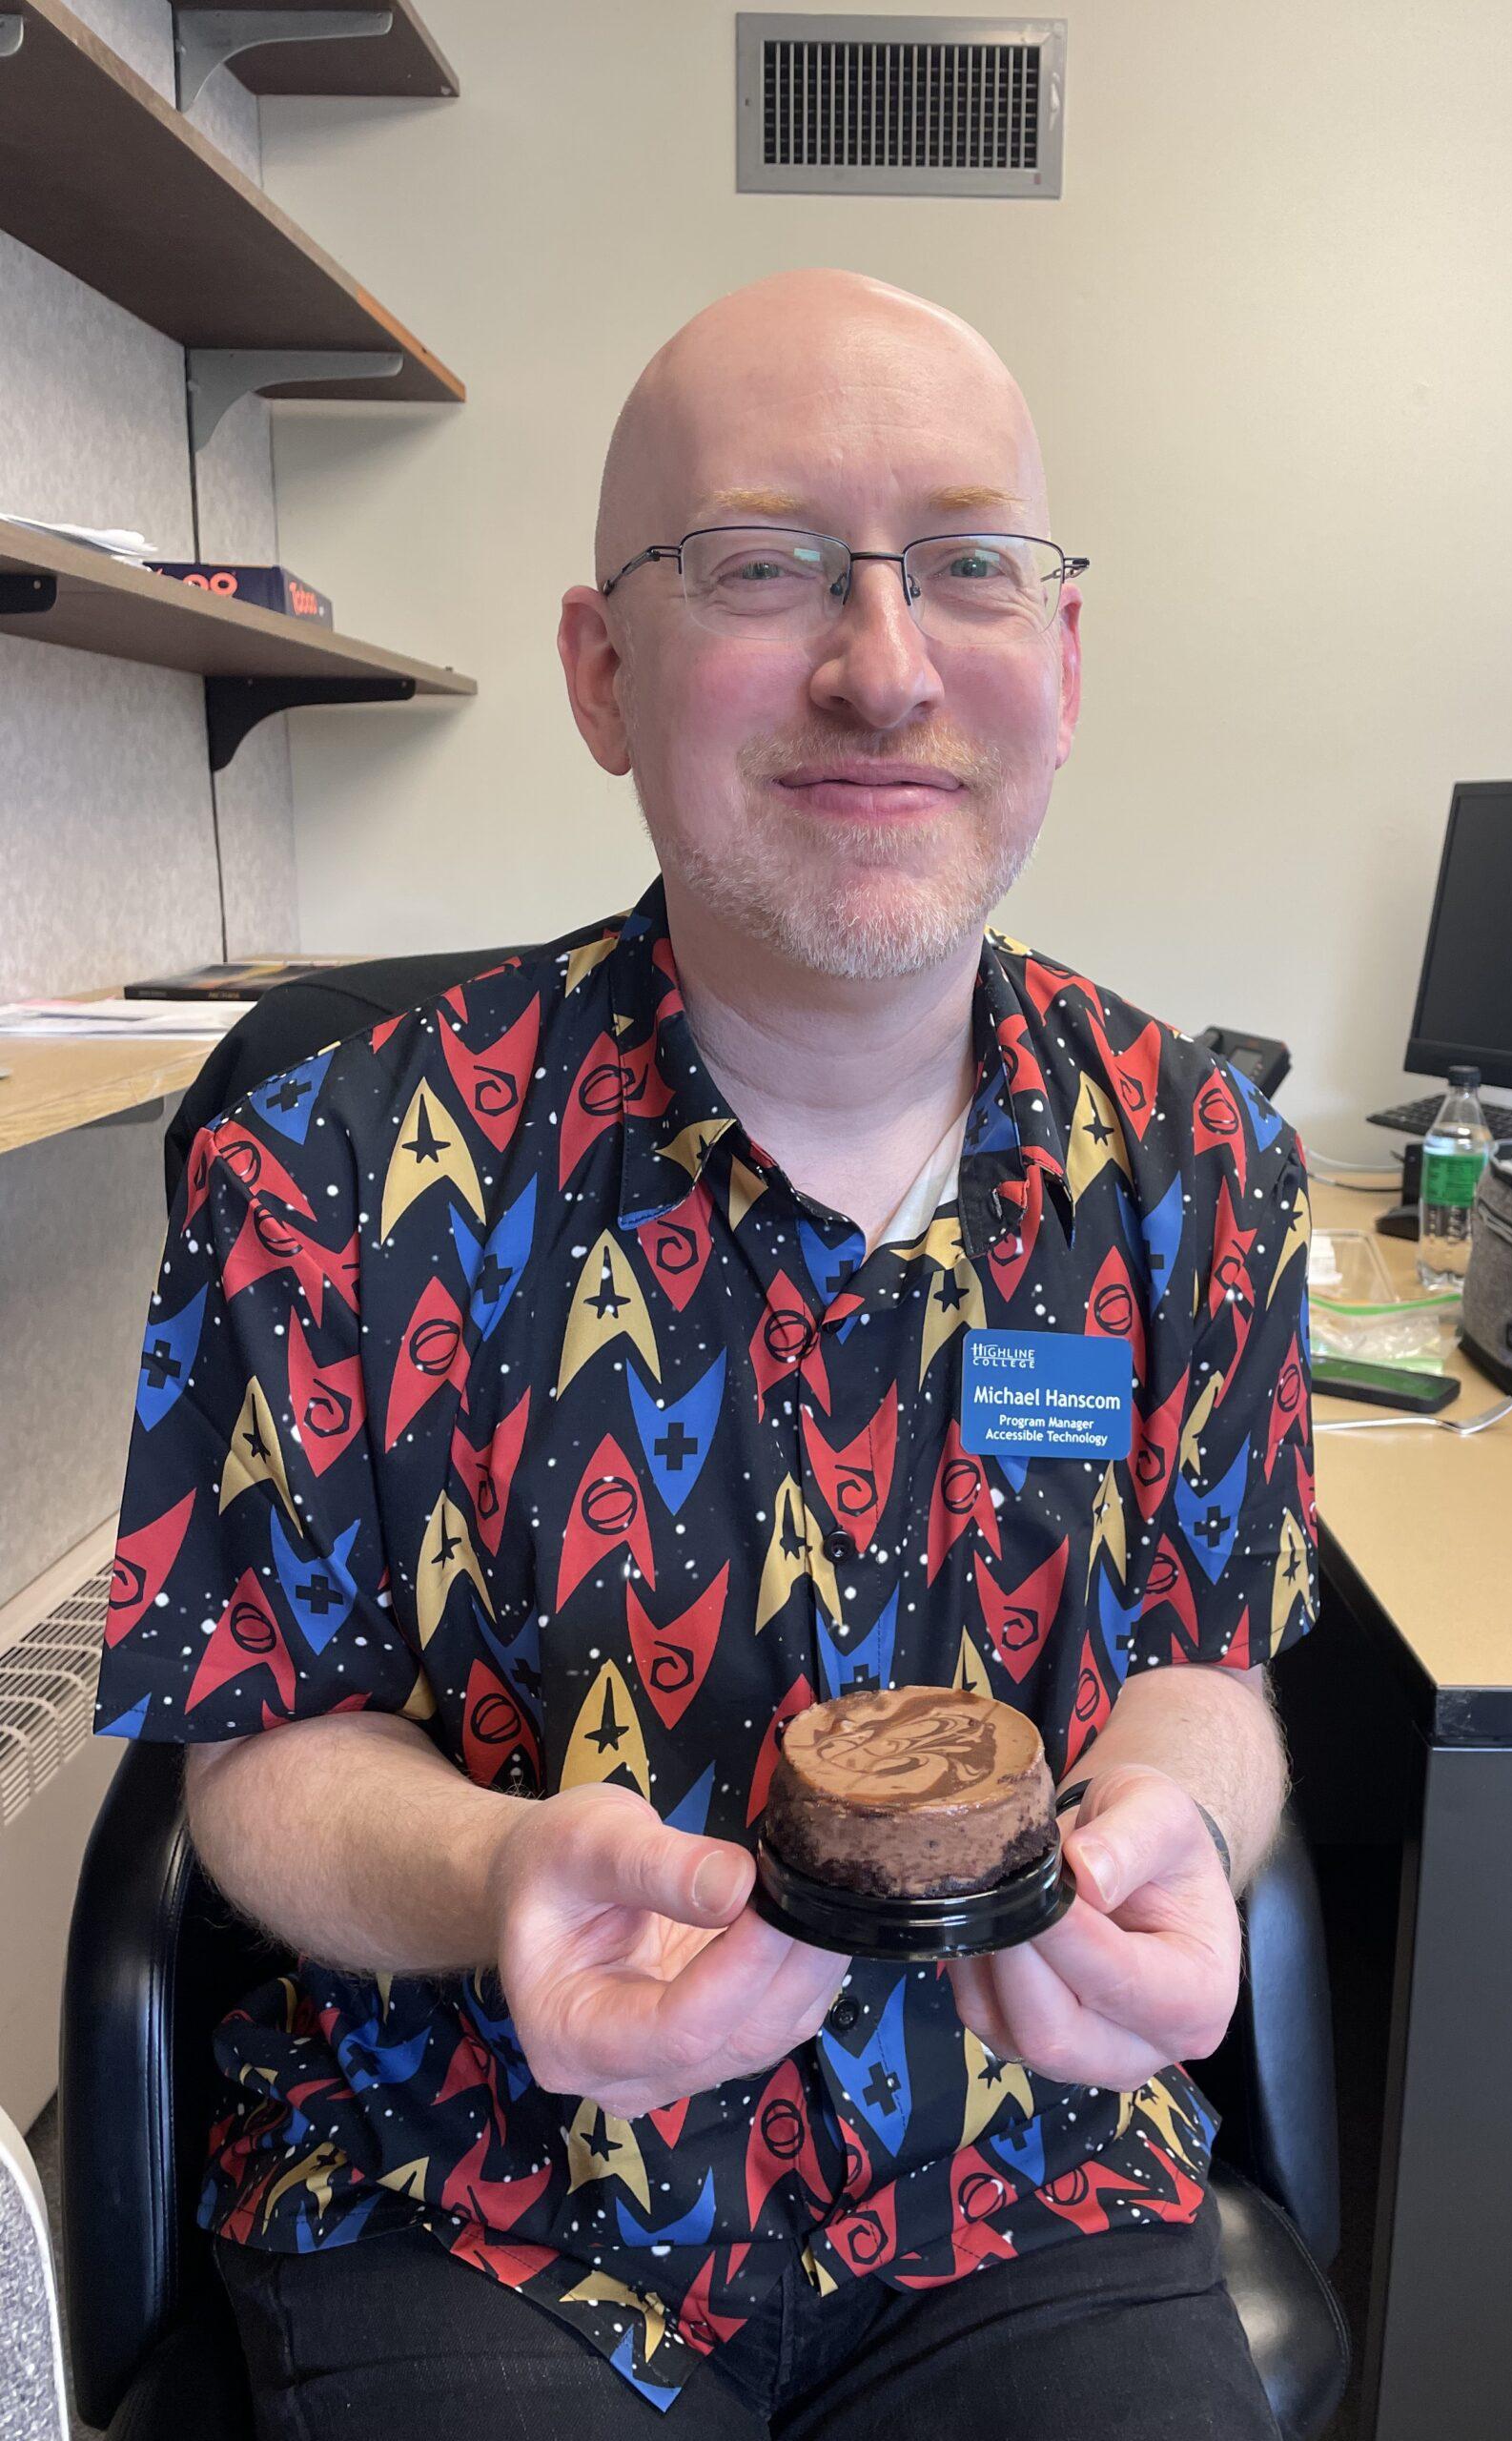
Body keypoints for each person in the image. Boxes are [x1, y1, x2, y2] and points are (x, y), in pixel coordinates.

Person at [93, 267, 1316, 2439]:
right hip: (461, 2172)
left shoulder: (1199, 1161)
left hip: (1016, 2164)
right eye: (765, 567)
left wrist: (1172, 1829)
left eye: (969, 566)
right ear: (601, 670)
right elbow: (253, 1752)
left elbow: (1209, 1669)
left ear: (1057, 652)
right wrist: (491, 1873)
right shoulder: (328, 1160)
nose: (881, 663)